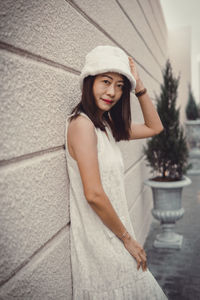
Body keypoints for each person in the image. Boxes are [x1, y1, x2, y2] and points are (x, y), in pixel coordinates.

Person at [65, 45, 168, 299]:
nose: (113, 92)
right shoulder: (82, 125)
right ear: (89, 81)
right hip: (103, 244)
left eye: (121, 85)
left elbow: (155, 127)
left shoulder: (107, 125)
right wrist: (128, 239)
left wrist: (139, 86)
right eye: (106, 81)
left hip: (116, 237)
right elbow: (94, 194)